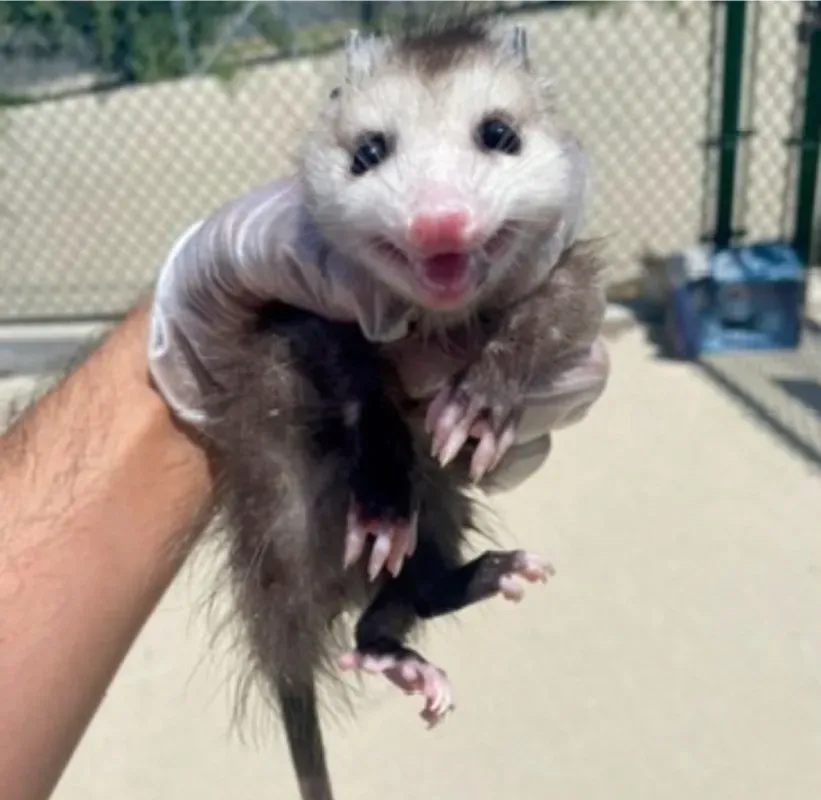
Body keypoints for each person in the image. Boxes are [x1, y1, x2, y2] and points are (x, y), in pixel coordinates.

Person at [0, 194, 609, 799]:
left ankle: (413, 603)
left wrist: (511, 357)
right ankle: (395, 614)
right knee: (307, 483)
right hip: (309, 450)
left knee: (427, 491)